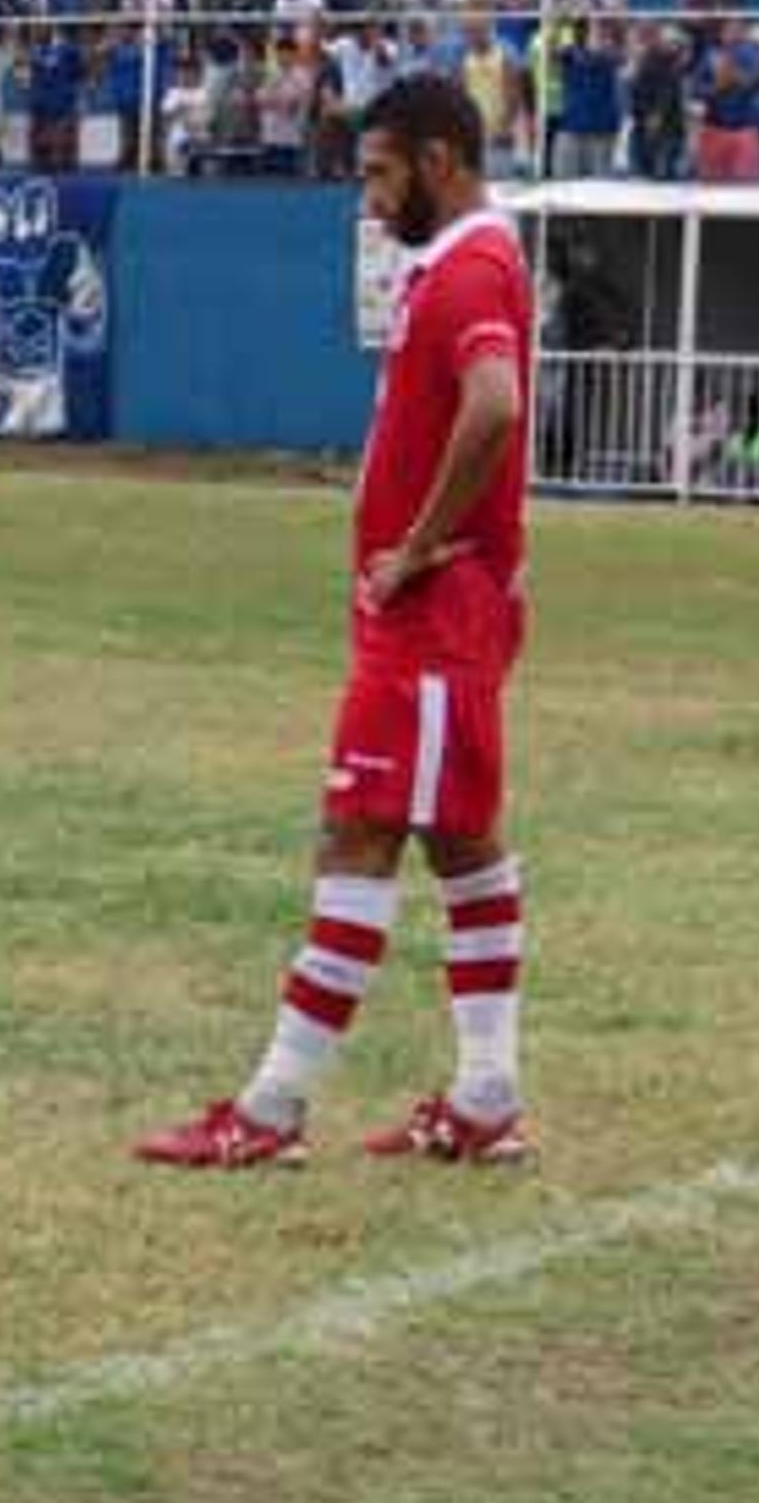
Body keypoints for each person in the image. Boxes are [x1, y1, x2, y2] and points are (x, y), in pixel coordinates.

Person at [139, 73, 534, 1170]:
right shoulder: (465, 263)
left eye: (378, 171)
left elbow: (495, 405)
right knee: (461, 842)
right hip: (453, 616)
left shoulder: (470, 271)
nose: (366, 198)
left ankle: (269, 1113)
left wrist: (415, 546)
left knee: (357, 835)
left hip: (429, 623)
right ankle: (488, 1094)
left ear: (439, 162)